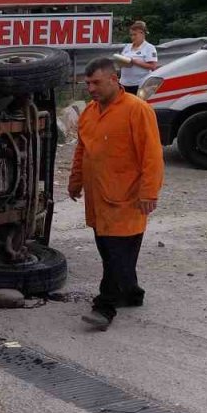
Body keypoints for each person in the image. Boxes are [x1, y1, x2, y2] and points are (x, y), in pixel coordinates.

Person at [68, 58, 164, 330]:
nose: (91, 89)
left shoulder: (137, 110)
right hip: (99, 199)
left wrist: (149, 192)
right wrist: (75, 181)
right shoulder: (89, 112)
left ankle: (104, 306)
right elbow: (82, 150)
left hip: (128, 199)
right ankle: (131, 293)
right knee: (110, 251)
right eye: (88, 83)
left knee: (116, 254)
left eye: (96, 83)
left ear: (114, 79)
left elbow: (152, 155)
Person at [118, 21, 158, 94]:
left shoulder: (149, 47)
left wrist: (135, 62)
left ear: (142, 33)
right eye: (131, 35)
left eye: (135, 35)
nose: (133, 37)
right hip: (124, 83)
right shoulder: (127, 47)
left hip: (139, 85)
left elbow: (153, 66)